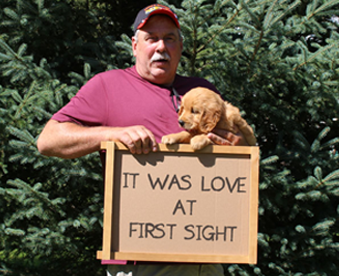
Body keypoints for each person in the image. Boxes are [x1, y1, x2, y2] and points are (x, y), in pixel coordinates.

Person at [37, 3, 248, 276]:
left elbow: (238, 150)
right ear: (135, 46)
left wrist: (237, 147)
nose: (161, 47)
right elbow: (48, 140)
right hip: (139, 257)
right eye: (151, 38)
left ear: (180, 47)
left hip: (203, 257)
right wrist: (113, 134)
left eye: (169, 38)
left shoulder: (202, 91)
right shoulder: (107, 86)